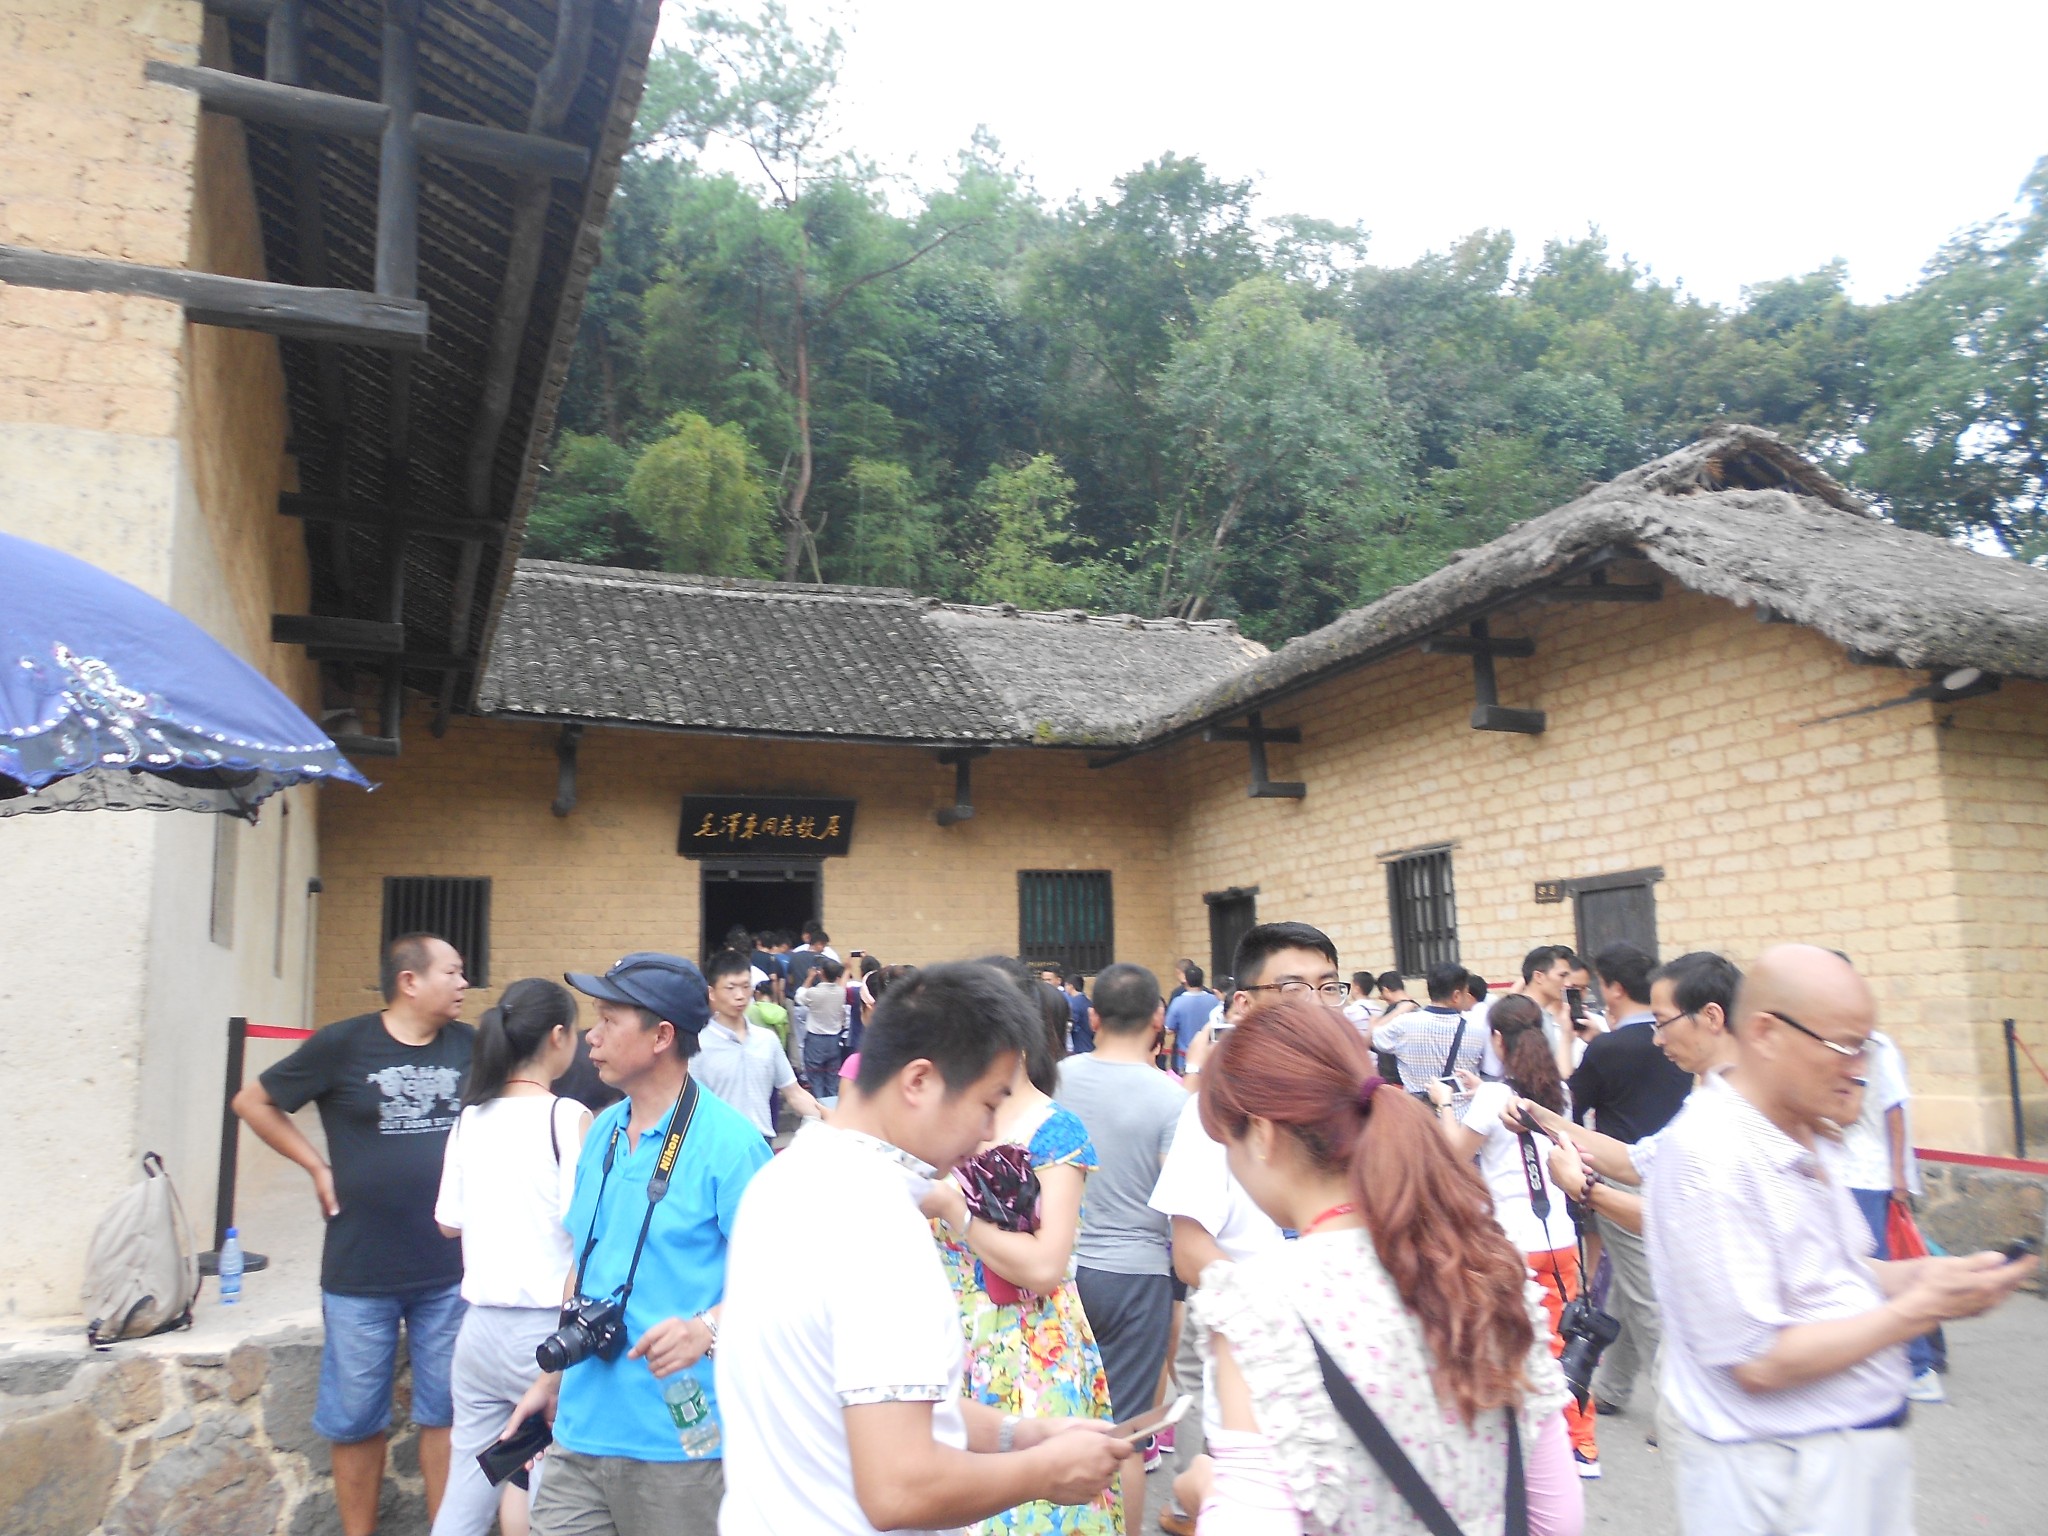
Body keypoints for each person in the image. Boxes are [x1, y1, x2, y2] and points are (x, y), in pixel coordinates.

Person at [716, 962, 1129, 1536]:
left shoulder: (785, 1178)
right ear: (918, 1082)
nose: (989, 1133)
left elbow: (877, 1405)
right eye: (988, 1104)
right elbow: (900, 1488)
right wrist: (1045, 1470)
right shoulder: (882, 1227)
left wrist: (1021, 1434)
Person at [1648, 945, 2036, 1536]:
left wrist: (1924, 1276)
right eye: (1844, 1046)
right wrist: (1917, 1311)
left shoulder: (1799, 1131)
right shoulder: (1710, 1154)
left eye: (1866, 1047)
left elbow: (1834, 1273)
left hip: (1842, 1462)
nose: (1860, 1068)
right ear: (1767, 1033)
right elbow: (1758, 1360)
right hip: (1783, 1477)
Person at [1177, 998, 1582, 1536]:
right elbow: (1557, 1520)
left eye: (1228, 1143)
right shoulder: (1489, 1270)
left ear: (1263, 1135)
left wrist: (1209, 1491)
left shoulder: (1257, 1306)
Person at [500, 952, 772, 1536]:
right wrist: (550, 1379)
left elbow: (784, 1281)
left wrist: (707, 1328)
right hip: (579, 1434)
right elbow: (583, 1263)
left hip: (682, 1445)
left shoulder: (732, 1146)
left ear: (662, 1037)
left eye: (608, 1020)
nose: (590, 1037)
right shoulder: (601, 1130)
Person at [232, 933, 475, 1536]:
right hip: (360, 1270)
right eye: (452, 972)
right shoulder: (342, 1044)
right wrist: (316, 1167)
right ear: (410, 981)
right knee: (355, 1420)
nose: (464, 983)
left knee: (446, 1415)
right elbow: (253, 1102)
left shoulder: (472, 1047)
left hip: (450, 1268)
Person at [1148, 922, 1341, 1536]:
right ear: (1243, 1004)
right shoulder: (1212, 1117)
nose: (1316, 1005)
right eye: (1294, 988)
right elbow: (1189, 1253)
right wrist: (1284, 1309)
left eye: (1329, 987)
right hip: (1253, 1358)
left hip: (1350, 1351)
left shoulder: (1361, 1105)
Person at [922, 959, 1117, 1536]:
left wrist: (956, 1212)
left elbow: (1045, 1265)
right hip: (942, 1339)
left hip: (1029, 1348)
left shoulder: (1054, 1129)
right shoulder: (936, 1119)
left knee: (1030, 1512)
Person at [432, 980, 592, 1536]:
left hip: (478, 1330)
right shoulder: (565, 1117)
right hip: (543, 1336)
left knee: (466, 1495)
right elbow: (588, 1230)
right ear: (558, 1036)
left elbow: (448, 1222)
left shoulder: (469, 1118)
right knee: (553, 1500)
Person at [1427, 993, 1600, 1478]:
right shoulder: (1559, 1093)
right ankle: (1583, 1445)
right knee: (1565, 1342)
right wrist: (1482, 1090)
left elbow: (1452, 1155)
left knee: (1512, 1344)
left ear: (1498, 1041)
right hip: (1559, 1238)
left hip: (1511, 1246)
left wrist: (1445, 1105)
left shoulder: (1490, 1100)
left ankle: (1527, 1447)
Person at [1055, 963, 1185, 1531]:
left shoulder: (1055, 1080)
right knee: (1125, 1435)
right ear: (1158, 1017)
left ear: (1092, 1017)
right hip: (1137, 1275)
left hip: (1059, 1266)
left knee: (1056, 1423)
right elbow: (1178, 1199)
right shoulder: (1171, 1098)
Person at [1568, 941, 1692, 1417]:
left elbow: (1574, 1104)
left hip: (1624, 1173)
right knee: (1625, 1283)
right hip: (1670, 1167)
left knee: (1645, 1296)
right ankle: (1614, 1387)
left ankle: (1674, 1408)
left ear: (1614, 988)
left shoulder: (1607, 1047)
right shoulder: (1677, 1043)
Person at [1838, 1028, 1944, 1403]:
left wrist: (1899, 1178)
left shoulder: (1875, 1048)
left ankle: (1919, 1366)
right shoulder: (1838, 1042)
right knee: (1879, 1267)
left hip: (1866, 1175)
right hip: (1850, 1173)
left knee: (1880, 1271)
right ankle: (1915, 1357)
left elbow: (1892, 1111)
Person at [696, 949, 825, 1141]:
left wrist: (829, 1119)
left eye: (745, 986)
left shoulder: (767, 1040)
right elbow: (689, 1108)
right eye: (730, 988)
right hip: (720, 1147)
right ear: (712, 993)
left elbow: (794, 1093)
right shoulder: (698, 1046)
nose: (740, 995)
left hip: (762, 1143)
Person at [1366, 959, 1484, 1094]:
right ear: (1456, 996)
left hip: (1418, 1106)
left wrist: (1399, 1010)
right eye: (1465, 993)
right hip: (1461, 1106)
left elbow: (1372, 1038)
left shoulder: (1404, 1025)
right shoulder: (1477, 1029)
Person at [798, 956, 850, 1100]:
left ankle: (819, 1107)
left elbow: (799, 997)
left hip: (815, 1040)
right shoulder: (841, 992)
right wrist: (847, 969)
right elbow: (843, 983)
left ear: (821, 973)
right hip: (834, 1040)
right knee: (832, 1079)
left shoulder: (814, 993)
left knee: (815, 1078)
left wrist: (809, 978)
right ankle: (832, 1107)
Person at [1163, 964, 1217, 1074]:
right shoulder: (1214, 1000)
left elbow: (1168, 1029)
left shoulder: (1178, 1002)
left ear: (1186, 981)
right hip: (1210, 1057)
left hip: (1185, 1058)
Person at [1066, 972, 1096, 1055]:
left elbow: (1070, 1026)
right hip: (1090, 1044)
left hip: (1080, 1046)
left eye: (1066, 985)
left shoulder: (1074, 1003)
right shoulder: (1087, 1001)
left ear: (1071, 986)